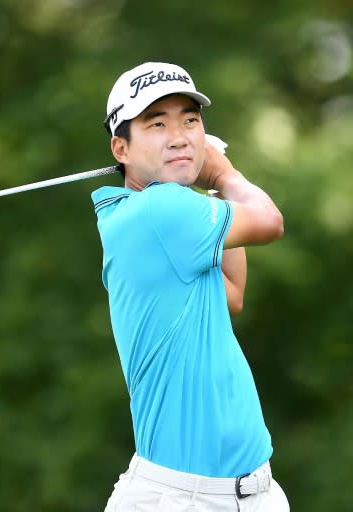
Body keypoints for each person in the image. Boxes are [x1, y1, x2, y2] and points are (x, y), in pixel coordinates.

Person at [92, 62, 289, 512]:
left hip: (254, 493)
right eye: (157, 124)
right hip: (180, 500)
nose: (179, 136)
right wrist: (221, 174)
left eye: (190, 121)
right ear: (120, 148)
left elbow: (233, 292)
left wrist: (211, 188)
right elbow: (269, 221)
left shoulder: (166, 217)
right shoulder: (157, 212)